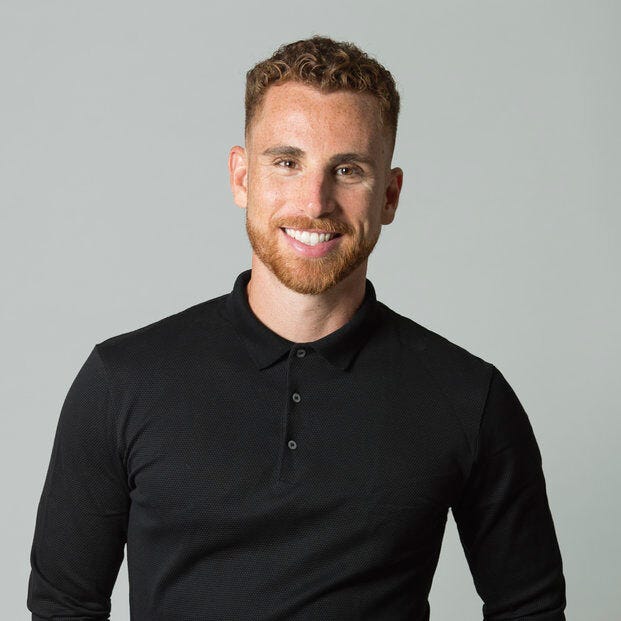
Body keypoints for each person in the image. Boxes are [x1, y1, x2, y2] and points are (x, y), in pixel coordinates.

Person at [27, 36, 566, 620]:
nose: (315, 201)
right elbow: (63, 605)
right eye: (287, 162)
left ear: (389, 195)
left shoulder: (469, 397)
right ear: (241, 177)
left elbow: (528, 609)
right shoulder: (122, 381)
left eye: (349, 169)